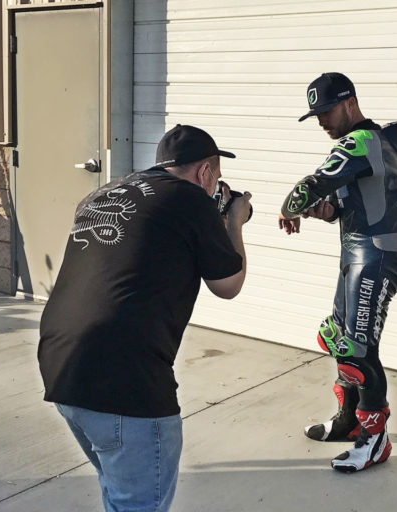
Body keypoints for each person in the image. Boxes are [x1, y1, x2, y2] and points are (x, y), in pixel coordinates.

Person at [38, 124, 252, 511]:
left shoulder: (100, 194)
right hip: (124, 382)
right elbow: (228, 284)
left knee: (119, 494)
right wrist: (233, 220)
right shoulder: (191, 199)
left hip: (61, 366)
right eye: (215, 176)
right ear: (205, 172)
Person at [278, 72, 397, 473]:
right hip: (358, 256)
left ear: (350, 102)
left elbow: (308, 186)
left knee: (357, 349)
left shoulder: (359, 143)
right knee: (338, 338)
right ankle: (349, 421)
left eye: (326, 110)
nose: (321, 120)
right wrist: (322, 210)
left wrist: (290, 207)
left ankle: (374, 441)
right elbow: (342, 205)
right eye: (315, 114)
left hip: (375, 258)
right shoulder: (371, 146)